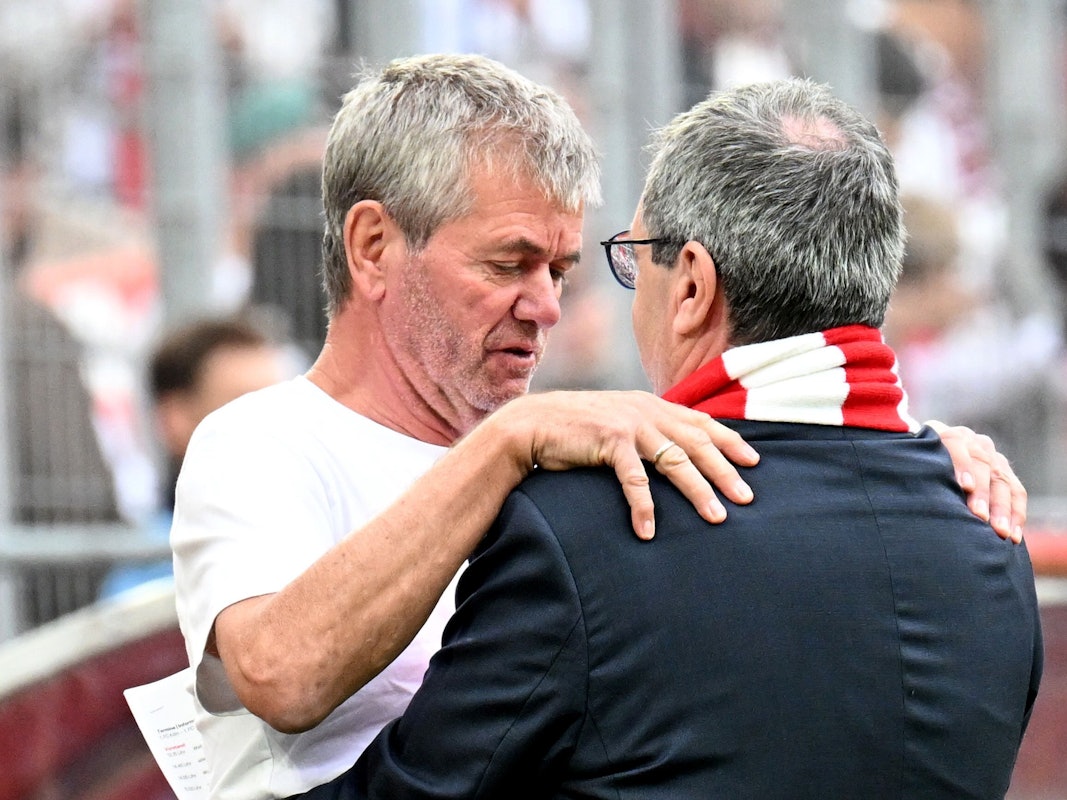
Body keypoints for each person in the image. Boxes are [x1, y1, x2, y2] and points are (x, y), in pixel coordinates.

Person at [170, 55, 1026, 800]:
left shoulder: (593, 472)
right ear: (372, 246)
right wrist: (504, 446)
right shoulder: (263, 444)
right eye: (509, 263)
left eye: (562, 270)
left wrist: (899, 455)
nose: (546, 305)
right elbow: (280, 676)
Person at [100, 314, 292, 598]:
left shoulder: (321, 534)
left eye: (283, 404)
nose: (276, 424)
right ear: (174, 419)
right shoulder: (145, 577)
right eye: (246, 404)